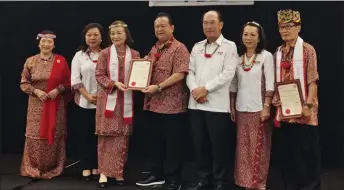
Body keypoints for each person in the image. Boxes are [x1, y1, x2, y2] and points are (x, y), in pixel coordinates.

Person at [135, 12, 190, 190]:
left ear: (172, 28)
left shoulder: (179, 48)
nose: (159, 29)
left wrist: (158, 87)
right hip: (153, 104)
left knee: (173, 144)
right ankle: (156, 174)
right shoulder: (155, 48)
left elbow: (180, 74)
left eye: (163, 26)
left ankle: (174, 179)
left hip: (172, 105)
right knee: (155, 142)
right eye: (156, 26)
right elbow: (146, 69)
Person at [186, 10, 238, 190]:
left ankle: (220, 181)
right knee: (200, 145)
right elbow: (190, 72)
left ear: (221, 24)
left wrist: (205, 89)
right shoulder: (197, 46)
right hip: (196, 104)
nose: (208, 26)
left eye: (212, 22)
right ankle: (203, 179)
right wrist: (194, 90)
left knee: (219, 147)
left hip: (217, 106)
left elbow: (228, 74)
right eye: (205, 23)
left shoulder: (230, 46)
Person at [272, 9, 321, 190]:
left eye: (289, 26)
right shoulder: (278, 52)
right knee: (288, 155)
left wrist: (308, 105)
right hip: (285, 113)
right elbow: (277, 82)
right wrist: (276, 99)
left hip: (305, 112)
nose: (285, 30)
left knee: (306, 155)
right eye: (281, 27)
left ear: (298, 27)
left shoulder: (307, 50)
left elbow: (312, 80)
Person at [20, 30, 72, 179]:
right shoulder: (30, 61)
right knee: (35, 135)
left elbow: (68, 82)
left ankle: (54, 167)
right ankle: (33, 168)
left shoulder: (61, 61)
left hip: (56, 104)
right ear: (39, 43)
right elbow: (24, 82)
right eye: (43, 41)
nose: (46, 44)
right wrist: (36, 91)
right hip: (36, 105)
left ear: (54, 45)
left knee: (55, 133)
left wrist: (58, 90)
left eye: (49, 42)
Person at [95, 20, 140, 188]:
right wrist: (114, 84)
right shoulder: (105, 53)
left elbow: (139, 75)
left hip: (126, 101)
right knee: (106, 137)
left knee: (122, 138)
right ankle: (104, 173)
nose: (115, 36)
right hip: (108, 100)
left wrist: (137, 83)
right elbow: (99, 75)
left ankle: (118, 172)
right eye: (113, 33)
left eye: (119, 33)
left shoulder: (135, 54)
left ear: (126, 35)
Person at [230, 21, 274, 190]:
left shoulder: (266, 56)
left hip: (259, 109)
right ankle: (244, 182)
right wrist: (232, 106)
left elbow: (270, 84)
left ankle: (259, 183)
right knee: (243, 148)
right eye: (245, 34)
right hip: (242, 108)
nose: (248, 38)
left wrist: (267, 106)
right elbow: (234, 84)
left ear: (259, 38)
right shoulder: (238, 58)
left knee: (260, 147)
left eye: (252, 35)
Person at [71, 23, 106, 181]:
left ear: (101, 36)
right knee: (85, 135)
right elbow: (75, 79)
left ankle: (99, 166)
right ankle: (86, 166)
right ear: (85, 37)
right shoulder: (79, 55)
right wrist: (87, 96)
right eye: (89, 35)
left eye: (95, 35)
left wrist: (101, 96)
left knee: (101, 136)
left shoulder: (107, 54)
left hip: (105, 101)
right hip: (84, 102)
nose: (92, 38)